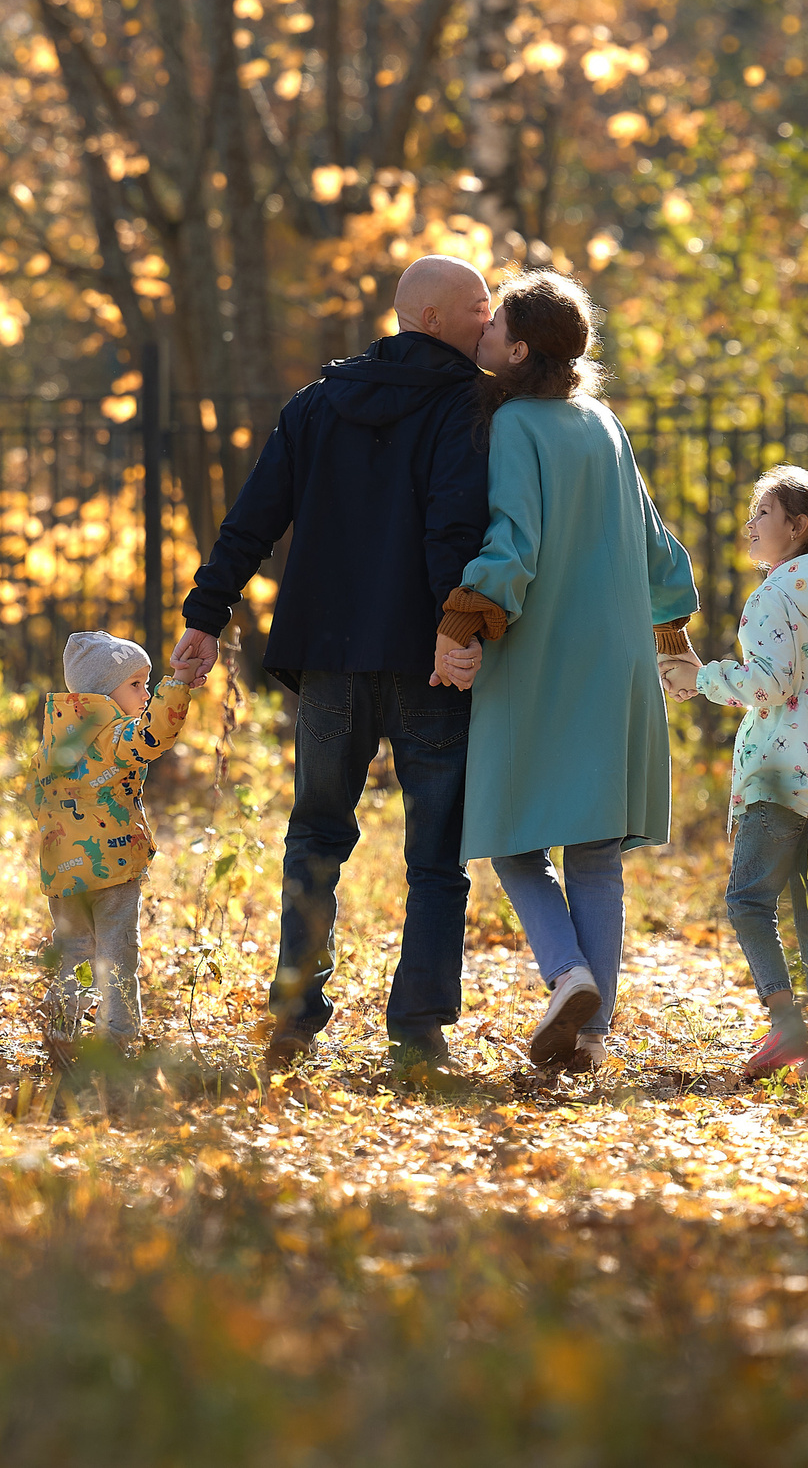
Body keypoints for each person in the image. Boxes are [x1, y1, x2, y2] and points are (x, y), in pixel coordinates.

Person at [173, 256, 493, 1078]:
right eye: (477, 310)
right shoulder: (466, 407)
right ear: (429, 317)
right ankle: (418, 1032)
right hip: (426, 659)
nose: (489, 326)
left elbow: (253, 518)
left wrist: (206, 613)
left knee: (316, 835)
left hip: (328, 658)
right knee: (437, 852)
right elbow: (452, 528)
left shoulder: (316, 406)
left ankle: (292, 1013)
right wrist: (455, 629)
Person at [432, 270, 700, 1074]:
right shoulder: (604, 423)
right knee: (594, 851)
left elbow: (516, 538)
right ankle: (589, 1034)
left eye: (495, 324)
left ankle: (567, 971)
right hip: (615, 656)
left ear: (517, 350)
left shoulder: (515, 425)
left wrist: (468, 612)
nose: (482, 331)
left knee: (508, 833)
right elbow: (656, 542)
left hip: (542, 654)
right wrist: (671, 621)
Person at [690, 466, 808, 1082]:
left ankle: (784, 1017)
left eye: (762, 515)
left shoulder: (772, 595)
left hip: (779, 774)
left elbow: (766, 685)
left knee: (749, 902)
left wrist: (701, 679)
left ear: (796, 528)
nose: (750, 526)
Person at [34, 630, 200, 1068]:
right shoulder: (111, 735)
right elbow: (155, 733)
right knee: (117, 954)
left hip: (63, 873)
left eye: (148, 684)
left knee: (73, 953)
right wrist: (176, 684)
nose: (145, 694)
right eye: (137, 684)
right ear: (105, 691)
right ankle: (117, 1043)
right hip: (112, 866)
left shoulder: (55, 738)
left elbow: (38, 799)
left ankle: (59, 1032)